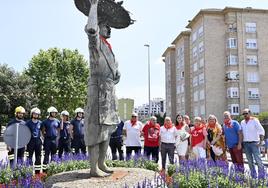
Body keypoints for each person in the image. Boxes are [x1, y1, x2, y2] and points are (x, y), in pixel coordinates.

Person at [79, 0, 133, 177]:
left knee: (107, 128)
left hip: (109, 91)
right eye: (106, 26)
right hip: (98, 90)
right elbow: (91, 30)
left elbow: (112, 70)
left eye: (110, 26)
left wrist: (117, 74)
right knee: (96, 128)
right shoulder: (96, 43)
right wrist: (93, 6)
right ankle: (93, 167)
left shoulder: (109, 48)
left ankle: (101, 163)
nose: (109, 29)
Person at [241, 108, 265, 177]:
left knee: (258, 160)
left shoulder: (255, 120)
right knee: (250, 161)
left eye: (246, 113)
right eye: (244, 114)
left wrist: (261, 142)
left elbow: (261, 131)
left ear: (250, 113)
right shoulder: (242, 122)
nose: (245, 115)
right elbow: (241, 133)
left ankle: (262, 177)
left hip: (255, 143)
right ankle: (253, 176)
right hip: (246, 144)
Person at [41, 106, 60, 172]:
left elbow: (59, 130)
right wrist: (44, 137)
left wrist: (57, 138)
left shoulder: (57, 121)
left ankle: (52, 170)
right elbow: (42, 131)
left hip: (54, 140)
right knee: (46, 155)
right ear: (50, 113)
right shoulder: (45, 122)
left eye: (55, 113)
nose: (54, 114)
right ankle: (44, 171)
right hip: (47, 140)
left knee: (54, 155)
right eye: (53, 112)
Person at [26, 107, 42, 174]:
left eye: (37, 114)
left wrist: (42, 140)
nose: (35, 115)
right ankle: (29, 173)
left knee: (38, 157)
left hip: (38, 141)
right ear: (32, 114)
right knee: (29, 157)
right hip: (30, 141)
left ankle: (37, 174)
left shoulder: (40, 123)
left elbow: (41, 132)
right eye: (34, 114)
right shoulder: (28, 123)